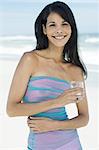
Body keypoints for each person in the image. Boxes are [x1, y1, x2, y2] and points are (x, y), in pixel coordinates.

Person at [6, 1, 89, 150]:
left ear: (71, 28)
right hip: (39, 145)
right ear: (44, 29)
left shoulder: (75, 71)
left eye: (64, 24)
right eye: (52, 25)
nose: (59, 30)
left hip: (70, 143)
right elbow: (12, 109)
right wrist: (57, 102)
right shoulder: (30, 60)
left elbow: (84, 118)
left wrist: (54, 125)